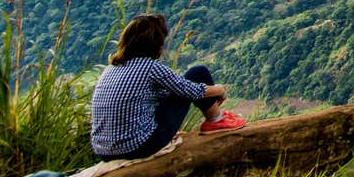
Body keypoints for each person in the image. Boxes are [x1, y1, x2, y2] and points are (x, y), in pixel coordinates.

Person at [90, 14, 245, 161]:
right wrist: (219, 90)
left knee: (179, 88)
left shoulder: (111, 68)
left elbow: (157, 95)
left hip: (102, 151)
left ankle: (215, 119)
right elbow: (191, 90)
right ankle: (216, 120)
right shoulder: (150, 68)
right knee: (197, 73)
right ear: (157, 43)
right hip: (139, 147)